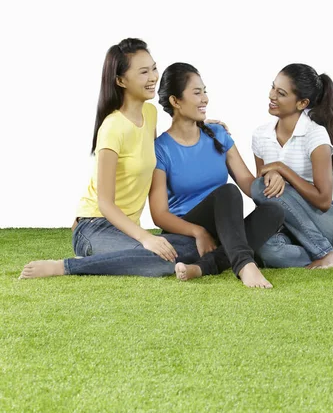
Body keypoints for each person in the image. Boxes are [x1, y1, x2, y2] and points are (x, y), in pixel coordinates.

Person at [19, 40, 217, 279]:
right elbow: (105, 203)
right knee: (162, 261)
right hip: (94, 227)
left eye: (153, 68)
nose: (153, 77)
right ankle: (65, 266)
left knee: (189, 247)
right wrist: (145, 238)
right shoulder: (112, 127)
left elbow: (171, 141)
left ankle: (112, 258)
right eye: (143, 72)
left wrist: (204, 127)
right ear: (121, 81)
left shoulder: (150, 113)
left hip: (125, 231)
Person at [149, 63, 284, 288]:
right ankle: (244, 265)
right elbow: (159, 214)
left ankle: (204, 267)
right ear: (175, 101)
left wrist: (273, 175)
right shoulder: (161, 149)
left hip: (223, 227)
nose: (205, 99)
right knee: (227, 192)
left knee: (274, 211)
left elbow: (248, 184)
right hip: (184, 226)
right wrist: (198, 231)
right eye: (197, 92)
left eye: (205, 91)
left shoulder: (218, 135)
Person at [250, 63, 333, 269]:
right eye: (273, 88)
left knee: (258, 185)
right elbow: (266, 196)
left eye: (281, 93)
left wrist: (283, 169)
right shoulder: (260, 135)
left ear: (302, 103)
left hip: (332, 222)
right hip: (294, 228)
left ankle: (325, 252)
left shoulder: (315, 134)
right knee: (266, 251)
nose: (271, 96)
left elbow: (324, 200)